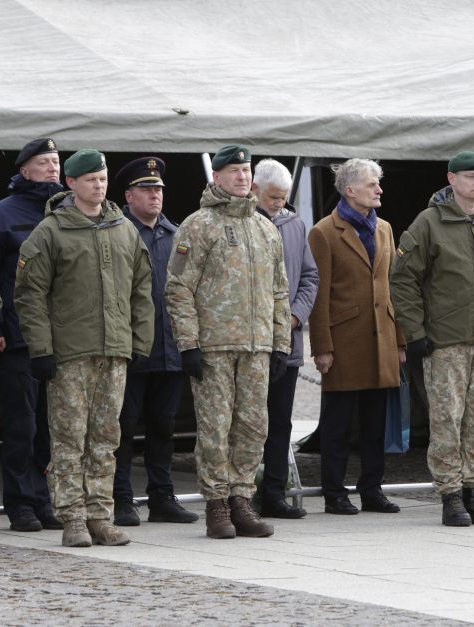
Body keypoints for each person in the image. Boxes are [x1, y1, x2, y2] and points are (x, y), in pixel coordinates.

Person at [15, 149, 154, 547]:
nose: (99, 185)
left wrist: (139, 341)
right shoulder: (51, 231)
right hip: (70, 353)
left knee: (106, 439)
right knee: (69, 440)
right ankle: (72, 516)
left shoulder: (122, 228)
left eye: (103, 178)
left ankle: (100, 515)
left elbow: (141, 289)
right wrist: (41, 349)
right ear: (71, 183)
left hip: (114, 351)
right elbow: (30, 295)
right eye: (90, 179)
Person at [166, 145, 290, 539]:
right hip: (215, 345)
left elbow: (280, 290)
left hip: (257, 346)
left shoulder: (265, 227)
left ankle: (242, 500)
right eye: (233, 170)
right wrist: (188, 343)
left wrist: (280, 342)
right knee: (216, 427)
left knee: (253, 426)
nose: (241, 176)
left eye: (246, 170)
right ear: (216, 177)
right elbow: (179, 287)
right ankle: (217, 503)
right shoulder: (198, 225)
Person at [391, 150, 474, 527]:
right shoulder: (430, 222)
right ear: (451, 180)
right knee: (447, 418)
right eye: (470, 177)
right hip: (446, 341)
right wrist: (415, 332)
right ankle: (450, 494)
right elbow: (403, 280)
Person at [308, 158, 404, 516]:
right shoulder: (323, 232)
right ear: (350, 191)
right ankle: (334, 492)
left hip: (382, 338)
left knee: (375, 423)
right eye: (371, 184)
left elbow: (394, 287)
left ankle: (372, 489)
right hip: (344, 341)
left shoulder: (385, 229)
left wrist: (401, 341)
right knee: (337, 425)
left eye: (378, 183)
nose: (379, 189)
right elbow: (319, 294)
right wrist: (323, 347)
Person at [111, 157, 197, 526]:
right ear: (129, 195)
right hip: (132, 348)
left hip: (169, 348)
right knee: (123, 427)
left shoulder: (176, 234)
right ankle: (121, 498)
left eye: (159, 189)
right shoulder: (118, 233)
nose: (154, 196)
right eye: (146, 190)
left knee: (164, 428)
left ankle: (162, 496)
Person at [0, 137, 64, 532]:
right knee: (22, 425)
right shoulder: (1, 213)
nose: (53, 168)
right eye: (44, 162)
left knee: (54, 426)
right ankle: (20, 503)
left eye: (56, 161)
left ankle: (46, 500)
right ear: (24, 170)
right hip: (18, 337)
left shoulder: (70, 211)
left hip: (63, 338)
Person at [251, 159, 318, 519]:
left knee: (280, 421)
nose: (279, 203)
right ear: (255, 190)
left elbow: (309, 276)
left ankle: (274, 490)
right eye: (274, 197)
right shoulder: (245, 222)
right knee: (247, 421)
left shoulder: (295, 224)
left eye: (283, 197)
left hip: (286, 342)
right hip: (249, 342)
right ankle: (242, 491)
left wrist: (295, 316)